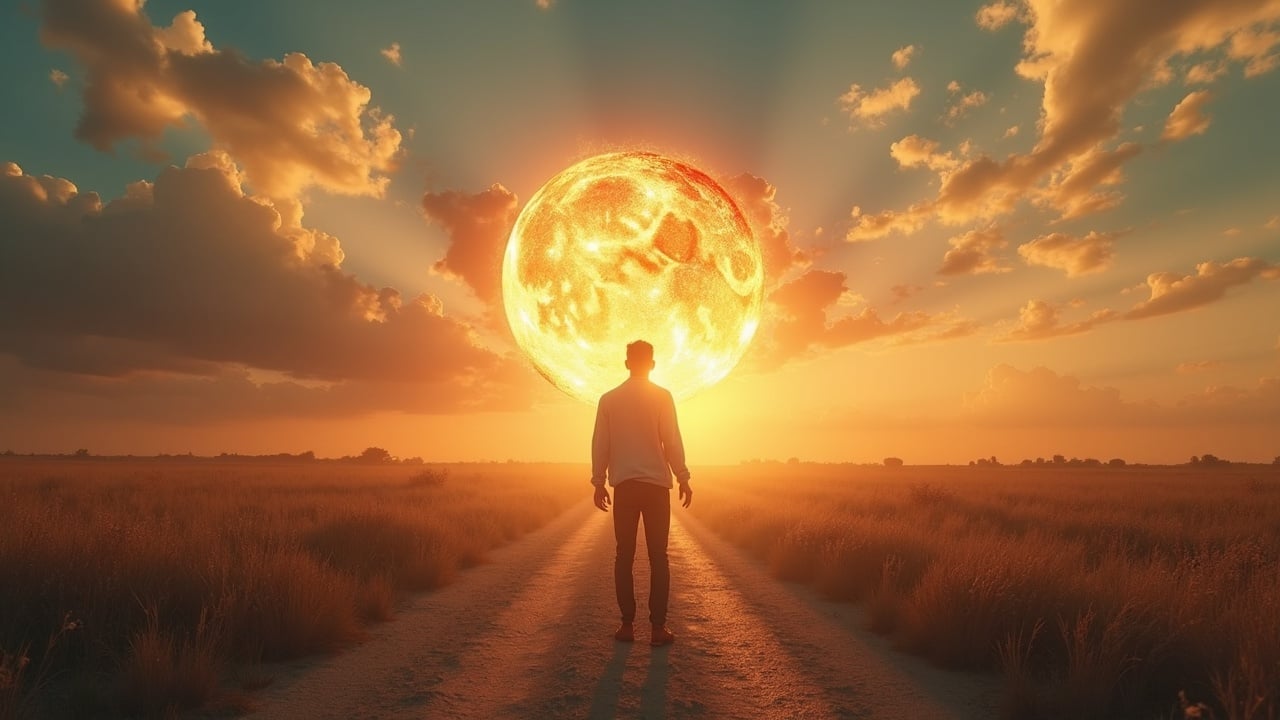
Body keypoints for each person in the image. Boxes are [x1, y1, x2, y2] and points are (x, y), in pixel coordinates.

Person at [591, 340, 692, 647]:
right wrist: (683, 476)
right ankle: (658, 628)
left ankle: (627, 626)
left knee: (624, 556)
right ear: (652, 364)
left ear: (626, 363)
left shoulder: (609, 399)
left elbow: (600, 443)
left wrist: (598, 481)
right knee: (658, 557)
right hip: (656, 488)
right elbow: (671, 441)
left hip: (624, 487)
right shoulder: (662, 397)